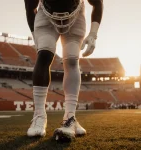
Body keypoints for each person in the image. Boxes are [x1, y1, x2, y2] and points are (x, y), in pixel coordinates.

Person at [24, 0, 103, 141]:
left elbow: (98, 2)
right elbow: (30, 7)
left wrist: (93, 34)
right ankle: (39, 116)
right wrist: (35, 36)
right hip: (46, 14)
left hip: (76, 14)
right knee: (44, 54)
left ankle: (70, 117)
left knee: (72, 59)